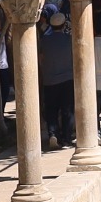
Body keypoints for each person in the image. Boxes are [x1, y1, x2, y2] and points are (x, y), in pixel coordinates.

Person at [37, 10, 76, 149]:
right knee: (67, 109)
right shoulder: (69, 40)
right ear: (64, 24)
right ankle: (66, 138)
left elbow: (41, 59)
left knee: (51, 109)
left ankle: (53, 134)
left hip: (49, 80)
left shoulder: (45, 41)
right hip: (67, 79)